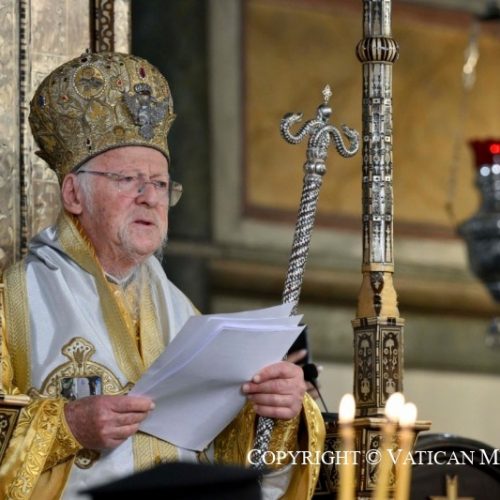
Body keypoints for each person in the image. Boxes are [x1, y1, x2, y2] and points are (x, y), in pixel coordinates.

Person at [0, 52, 324, 499]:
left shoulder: (182, 312)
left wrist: (275, 411)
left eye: (159, 184)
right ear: (73, 193)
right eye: (128, 179)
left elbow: (225, 455)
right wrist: (66, 426)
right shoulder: (13, 305)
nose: (149, 197)